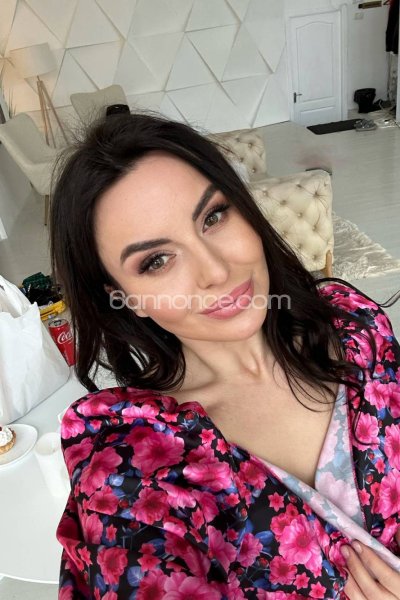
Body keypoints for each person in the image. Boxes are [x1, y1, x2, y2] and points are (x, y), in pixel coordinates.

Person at [50, 112, 400, 599]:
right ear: (125, 297)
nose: (215, 271)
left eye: (213, 217)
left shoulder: (355, 328)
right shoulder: (135, 466)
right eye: (156, 261)